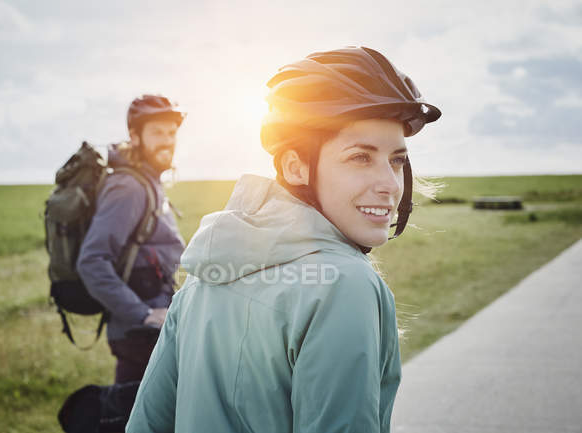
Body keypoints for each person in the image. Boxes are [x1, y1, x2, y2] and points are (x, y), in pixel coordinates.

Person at [126, 46, 441, 432]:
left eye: (396, 160)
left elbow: (146, 424)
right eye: (361, 157)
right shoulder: (345, 284)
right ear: (296, 167)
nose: (390, 185)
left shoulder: (209, 267)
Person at [76, 94, 186, 384]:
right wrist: (144, 315)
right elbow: (92, 261)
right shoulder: (128, 187)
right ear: (135, 137)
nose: (167, 140)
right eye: (157, 132)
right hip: (140, 336)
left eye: (172, 133)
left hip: (150, 334)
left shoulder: (147, 181)